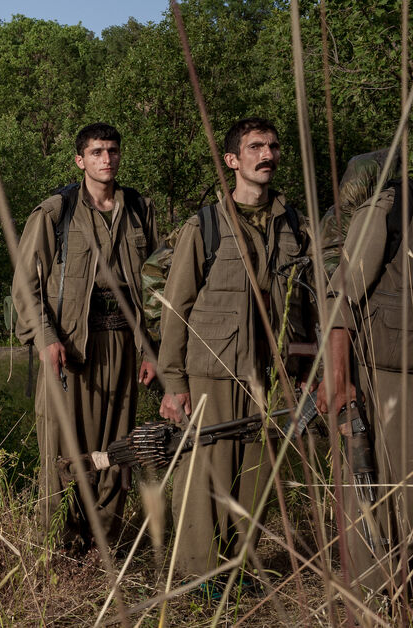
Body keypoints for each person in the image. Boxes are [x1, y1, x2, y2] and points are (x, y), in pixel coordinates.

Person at [157, 118, 313, 584]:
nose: (267, 154)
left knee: (257, 478)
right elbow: (176, 308)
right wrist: (173, 382)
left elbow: (308, 304)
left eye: (273, 146)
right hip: (214, 369)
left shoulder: (295, 224)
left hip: (274, 371)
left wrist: (308, 368)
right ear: (232, 160)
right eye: (255, 147)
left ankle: (235, 570)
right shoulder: (204, 225)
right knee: (206, 473)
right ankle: (198, 577)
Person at [12, 123, 159, 552]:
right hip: (70, 348)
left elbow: (158, 287)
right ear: (80, 160)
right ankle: (59, 545)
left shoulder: (139, 209)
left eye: (112, 151)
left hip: (123, 345)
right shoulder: (55, 213)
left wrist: (153, 349)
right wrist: (46, 337)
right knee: (63, 448)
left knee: (117, 448)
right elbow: (24, 286)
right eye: (96, 152)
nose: (106, 159)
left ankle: (104, 544)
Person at [320, 162, 413, 599]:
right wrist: (338, 379)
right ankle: (373, 600)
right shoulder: (390, 208)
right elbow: (340, 297)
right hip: (391, 376)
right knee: (387, 491)